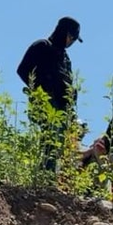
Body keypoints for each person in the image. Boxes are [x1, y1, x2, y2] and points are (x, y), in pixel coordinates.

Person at [17, 17, 82, 170]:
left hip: (62, 107)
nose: (71, 43)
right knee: (50, 138)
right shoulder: (42, 46)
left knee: (58, 143)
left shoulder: (65, 58)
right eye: (71, 38)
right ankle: (44, 175)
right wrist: (40, 91)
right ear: (66, 34)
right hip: (45, 101)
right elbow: (23, 70)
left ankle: (50, 175)